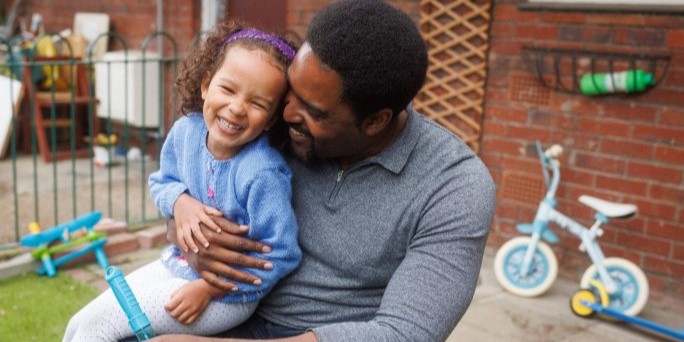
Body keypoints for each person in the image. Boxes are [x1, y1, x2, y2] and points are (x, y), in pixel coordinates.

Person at [154, 0, 497, 341]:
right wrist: (184, 230)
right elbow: (189, 180)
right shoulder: (271, 124)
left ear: (375, 122)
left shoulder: (454, 187)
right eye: (291, 91)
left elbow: (405, 333)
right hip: (227, 307)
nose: (286, 114)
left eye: (313, 111)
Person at [63, 21, 302, 341]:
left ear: (272, 118)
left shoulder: (262, 173)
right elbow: (162, 181)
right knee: (81, 321)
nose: (236, 107)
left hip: (228, 296)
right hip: (176, 263)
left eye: (257, 103)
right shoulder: (186, 132)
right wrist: (180, 202)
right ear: (206, 85)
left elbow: (281, 252)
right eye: (228, 89)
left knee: (102, 327)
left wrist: (208, 287)